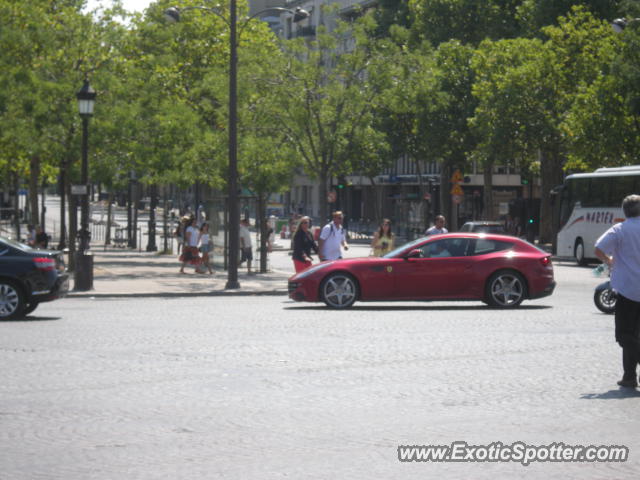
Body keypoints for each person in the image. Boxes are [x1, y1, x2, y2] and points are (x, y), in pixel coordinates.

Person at [595, 194, 640, 388]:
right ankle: (629, 376)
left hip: (628, 289)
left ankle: (630, 375)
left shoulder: (620, 229)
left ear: (625, 211)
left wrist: (610, 260)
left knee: (624, 334)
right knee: (633, 335)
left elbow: (598, 248)